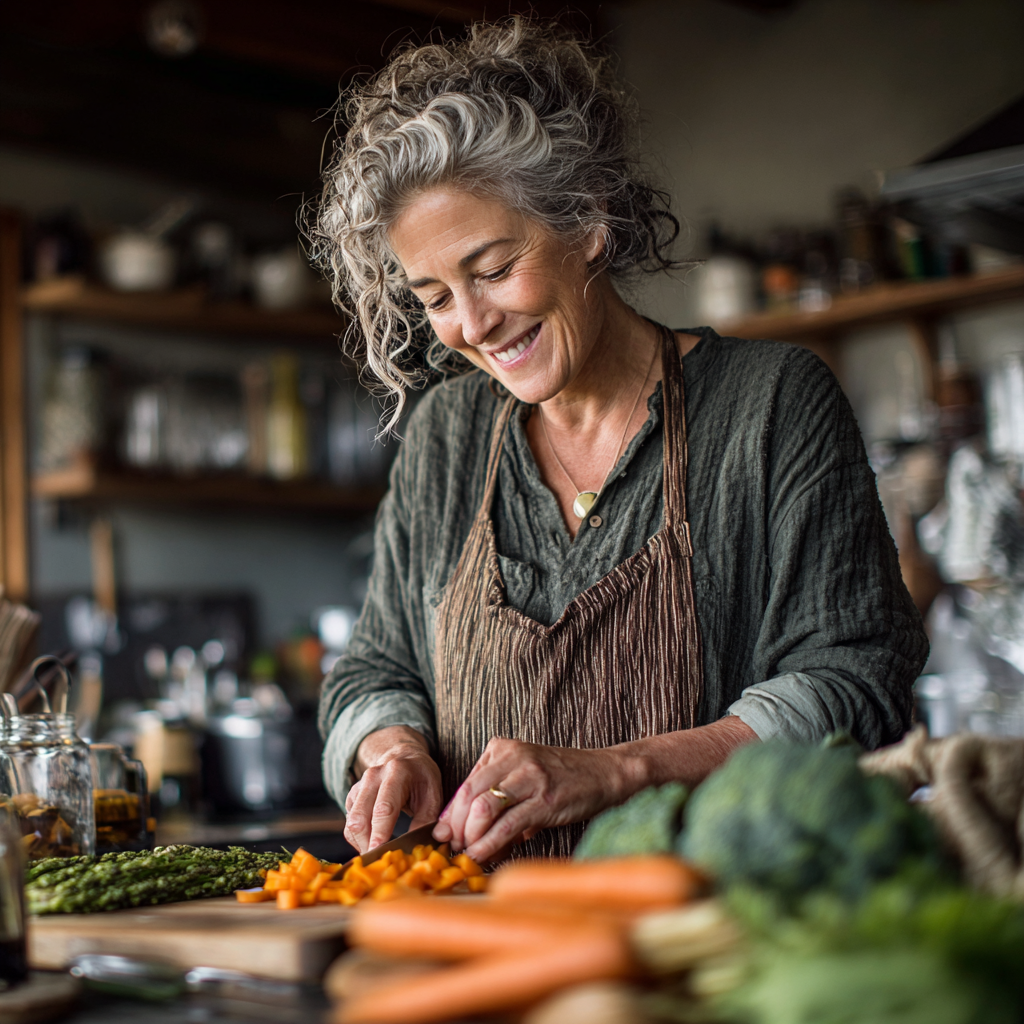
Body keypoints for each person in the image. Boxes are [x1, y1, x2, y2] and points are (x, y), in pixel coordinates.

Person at [312, 19, 928, 864]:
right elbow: (373, 671)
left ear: (588, 222)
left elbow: (856, 682)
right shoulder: (444, 436)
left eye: (492, 269)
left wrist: (617, 771)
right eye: (434, 296)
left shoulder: (769, 404)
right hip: (483, 946)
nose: (473, 324)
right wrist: (392, 749)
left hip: (708, 932)